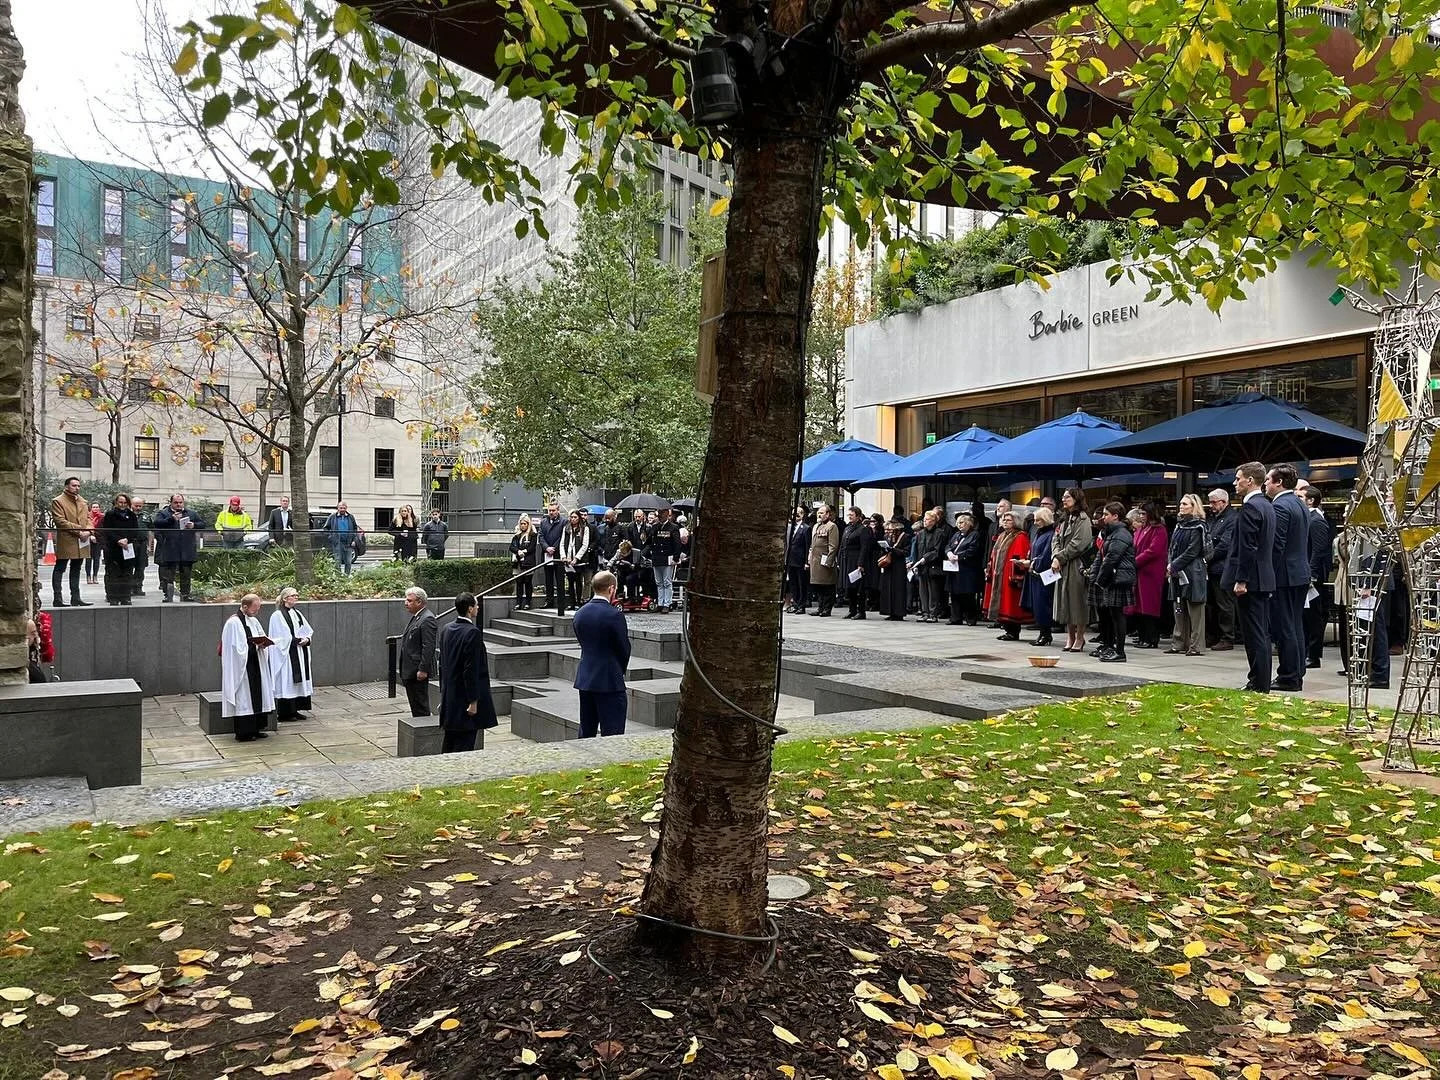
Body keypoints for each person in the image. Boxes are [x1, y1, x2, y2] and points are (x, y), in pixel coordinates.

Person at [1222, 461, 1277, 693]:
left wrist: (1241, 579)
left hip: (1251, 580)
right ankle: (1258, 680)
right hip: (1262, 577)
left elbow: (1248, 547)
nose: (1235, 483)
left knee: (1254, 634)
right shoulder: (1267, 505)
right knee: (1260, 632)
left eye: (1238, 478)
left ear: (1250, 480)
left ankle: (1259, 682)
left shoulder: (1252, 507)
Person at [1266, 463, 1311, 692]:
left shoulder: (1280, 506)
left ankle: (1289, 676)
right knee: (1295, 625)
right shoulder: (1299, 503)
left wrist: (1268, 574)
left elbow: (1277, 545)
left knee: (1285, 627)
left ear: (1279, 482)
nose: (1265, 483)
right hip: (1299, 572)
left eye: (1268, 479)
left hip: (1285, 574)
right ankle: (1296, 672)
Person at [572, 570, 632, 737]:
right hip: (609, 679)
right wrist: (619, 670)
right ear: (611, 589)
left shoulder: (580, 613)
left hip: (585, 678)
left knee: (586, 731)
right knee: (613, 732)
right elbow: (623, 648)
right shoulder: (614, 615)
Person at [438, 592, 497, 752]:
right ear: (470, 609)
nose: (478, 608)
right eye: (476, 605)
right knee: (464, 745)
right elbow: (471, 670)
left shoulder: (447, 629)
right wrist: (473, 702)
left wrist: (443, 695)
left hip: (450, 697)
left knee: (449, 743)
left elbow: (442, 665)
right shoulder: (472, 632)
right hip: (464, 699)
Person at [221, 594, 274, 742]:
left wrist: (264, 644)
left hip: (256, 663)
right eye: (254, 608)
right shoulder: (233, 623)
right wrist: (254, 646)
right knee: (245, 698)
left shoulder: (253, 621)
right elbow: (235, 648)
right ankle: (244, 733)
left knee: (258, 695)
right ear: (245, 606)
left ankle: (256, 728)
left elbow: (261, 635)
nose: (256, 611)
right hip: (243, 668)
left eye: (258, 608)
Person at [1088, 502, 1137, 663]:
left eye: (1106, 514)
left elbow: (1111, 558)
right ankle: (1111, 647)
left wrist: (1100, 580)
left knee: (1118, 615)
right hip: (1113, 578)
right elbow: (1101, 555)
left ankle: (1120, 652)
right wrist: (1095, 576)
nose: (1103, 517)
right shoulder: (1112, 532)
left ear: (1115, 516)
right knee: (1112, 615)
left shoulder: (1121, 533)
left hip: (1118, 579)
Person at [1051, 487, 1094, 653]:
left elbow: (1078, 544)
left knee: (1078, 601)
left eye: (1067, 497)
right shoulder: (1063, 518)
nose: (1063, 499)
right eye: (1063, 497)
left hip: (1076, 565)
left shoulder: (1084, 519)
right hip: (1062, 565)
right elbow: (1055, 540)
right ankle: (1070, 636)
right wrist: (1055, 557)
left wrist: (1059, 558)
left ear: (1076, 499)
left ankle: (1080, 636)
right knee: (1065, 602)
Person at [1167, 493, 1209, 656]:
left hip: (1193, 571)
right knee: (1178, 606)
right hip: (1177, 570)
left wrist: (1174, 565)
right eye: (1181, 503)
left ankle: (1196, 645)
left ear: (1194, 507)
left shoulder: (1199, 526)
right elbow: (1172, 547)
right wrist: (1170, 564)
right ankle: (1179, 642)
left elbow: (1193, 550)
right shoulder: (1180, 525)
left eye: (1185, 504)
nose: (1181, 506)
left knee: (1195, 609)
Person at [268, 587, 314, 722]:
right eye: (293, 595)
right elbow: (279, 636)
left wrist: (307, 639)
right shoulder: (277, 615)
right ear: (285, 598)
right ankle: (285, 713)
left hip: (299, 652)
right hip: (287, 655)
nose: (296, 597)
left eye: (297, 595)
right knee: (287, 680)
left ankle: (295, 709)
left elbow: (307, 629)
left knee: (299, 681)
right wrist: (295, 640)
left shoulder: (297, 613)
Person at [983, 510, 1031, 641]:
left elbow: (1020, 555)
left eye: (1008, 520)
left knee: (1010, 604)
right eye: (1004, 520)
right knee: (1002, 603)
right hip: (999, 575)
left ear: (1016, 522)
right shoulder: (1002, 535)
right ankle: (1007, 629)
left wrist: (1016, 575)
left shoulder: (1020, 536)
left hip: (1010, 576)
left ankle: (1013, 631)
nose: (1005, 522)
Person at [1127, 504, 1168, 648]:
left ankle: (1151, 638)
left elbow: (1153, 551)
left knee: (1150, 606)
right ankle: (1142, 636)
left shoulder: (1159, 530)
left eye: (1144, 514)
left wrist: (1135, 561)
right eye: (1140, 514)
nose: (1141, 516)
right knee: (1139, 606)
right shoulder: (1142, 529)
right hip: (1139, 571)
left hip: (1151, 572)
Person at [152, 494, 205, 602]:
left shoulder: (191, 513)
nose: (178, 505)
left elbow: (202, 524)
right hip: (170, 548)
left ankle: (185, 595)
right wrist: (171, 519)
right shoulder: (164, 513)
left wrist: (193, 525)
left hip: (186, 548)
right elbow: (157, 523)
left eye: (180, 502)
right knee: (168, 575)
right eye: (176, 503)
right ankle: (168, 595)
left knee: (186, 573)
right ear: (171, 503)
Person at [49, 476, 93, 607]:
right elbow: (60, 521)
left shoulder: (83, 501)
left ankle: (76, 597)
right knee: (60, 567)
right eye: (74, 485)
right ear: (67, 486)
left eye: (78, 486)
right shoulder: (58, 501)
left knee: (77, 568)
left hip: (82, 539)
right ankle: (57, 598)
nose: (77, 488)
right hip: (67, 539)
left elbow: (89, 519)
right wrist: (80, 531)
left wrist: (89, 531)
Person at [1304, 487, 1334, 670]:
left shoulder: (1316, 521)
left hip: (1313, 577)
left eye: (1300, 496)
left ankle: (1313, 655)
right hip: (1307, 572)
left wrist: (1312, 574)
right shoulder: (1308, 518)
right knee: (1306, 616)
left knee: (1314, 616)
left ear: (1310, 500)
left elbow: (1318, 550)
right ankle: (1308, 652)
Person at [1204, 489, 1237, 651]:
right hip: (1211, 568)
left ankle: (1227, 637)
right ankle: (1213, 635)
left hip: (1222, 567)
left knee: (1224, 604)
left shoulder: (1232, 518)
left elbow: (1225, 545)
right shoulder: (1212, 519)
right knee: (1211, 604)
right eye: (1210, 502)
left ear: (1224, 502)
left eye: (1214, 502)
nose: (1211, 506)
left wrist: (1206, 558)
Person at [398, 586, 438, 718]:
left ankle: (424, 729)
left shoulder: (427, 619)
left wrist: (423, 669)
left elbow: (428, 646)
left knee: (420, 706)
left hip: (417, 671)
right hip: (410, 670)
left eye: (409, 601)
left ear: (419, 601)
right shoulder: (417, 617)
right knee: (415, 705)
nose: (406, 603)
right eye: (406, 600)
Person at [1020, 506, 1056, 646]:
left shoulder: (1050, 534)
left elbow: (1047, 555)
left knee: (1043, 604)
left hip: (1044, 575)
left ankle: (1046, 634)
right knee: (1037, 604)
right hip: (1035, 574)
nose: (1035, 523)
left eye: (1038, 520)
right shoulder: (1039, 533)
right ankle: (1043, 633)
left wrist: (1033, 563)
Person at [100, 493, 142, 606]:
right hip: (113, 548)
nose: (122, 505)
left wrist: (127, 539)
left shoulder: (131, 515)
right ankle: (113, 597)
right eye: (120, 502)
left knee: (127, 573)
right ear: (116, 503)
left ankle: (125, 596)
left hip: (128, 547)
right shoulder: (110, 514)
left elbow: (135, 531)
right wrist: (118, 540)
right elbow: (107, 530)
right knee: (113, 573)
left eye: (125, 503)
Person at [838, 506, 878, 620]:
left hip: (856, 561)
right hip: (846, 560)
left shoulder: (863, 529)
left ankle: (861, 611)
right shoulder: (847, 528)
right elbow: (842, 544)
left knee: (858, 587)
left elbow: (864, 548)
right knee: (849, 587)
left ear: (858, 516)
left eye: (852, 515)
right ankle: (852, 610)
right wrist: (839, 559)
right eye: (849, 515)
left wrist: (860, 563)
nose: (849, 517)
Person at [946, 512, 984, 625]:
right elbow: (948, 546)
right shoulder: (956, 534)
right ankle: (955, 618)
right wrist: (949, 553)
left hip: (967, 569)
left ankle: (970, 618)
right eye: (958, 523)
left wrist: (958, 556)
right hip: (954, 568)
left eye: (962, 522)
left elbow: (973, 550)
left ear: (969, 523)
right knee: (954, 594)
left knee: (967, 594)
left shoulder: (975, 535)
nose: (959, 525)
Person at [909, 509, 946, 622]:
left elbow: (937, 550)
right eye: (924, 519)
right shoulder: (920, 534)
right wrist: (915, 563)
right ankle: (925, 612)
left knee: (933, 591)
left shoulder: (939, 533)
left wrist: (926, 558)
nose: (925, 521)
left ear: (934, 521)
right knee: (923, 590)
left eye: (927, 519)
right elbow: (916, 549)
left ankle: (933, 614)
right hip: (921, 566)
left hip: (933, 566)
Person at [807, 504, 840, 617]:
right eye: (818, 513)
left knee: (827, 585)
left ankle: (827, 608)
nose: (819, 515)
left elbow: (833, 546)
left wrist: (829, 561)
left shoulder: (832, 526)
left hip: (825, 560)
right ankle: (820, 607)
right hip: (816, 560)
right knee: (818, 585)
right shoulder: (816, 526)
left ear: (828, 514)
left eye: (822, 513)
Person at [648, 508, 682, 613]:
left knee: (667, 582)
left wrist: (676, 557)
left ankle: (667, 603)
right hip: (657, 557)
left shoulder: (673, 527)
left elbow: (677, 543)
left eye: (661, 515)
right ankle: (660, 603)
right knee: (659, 582)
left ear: (667, 515)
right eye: (659, 516)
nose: (660, 518)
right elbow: (650, 541)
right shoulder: (655, 527)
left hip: (667, 557)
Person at [878, 518, 911, 620]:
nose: (888, 531)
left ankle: (899, 613)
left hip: (899, 565)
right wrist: (884, 548)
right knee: (888, 588)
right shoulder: (886, 536)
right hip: (889, 565)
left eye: (890, 529)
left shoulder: (905, 537)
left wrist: (894, 550)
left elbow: (906, 552)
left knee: (898, 589)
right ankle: (889, 611)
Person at [559, 509, 590, 615]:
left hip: (578, 561)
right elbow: (562, 543)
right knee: (570, 582)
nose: (573, 519)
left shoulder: (584, 529)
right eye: (571, 517)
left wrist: (577, 558)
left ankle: (579, 602)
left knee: (578, 581)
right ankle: (571, 603)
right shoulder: (566, 528)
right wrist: (563, 557)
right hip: (568, 559)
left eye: (575, 517)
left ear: (579, 518)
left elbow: (585, 545)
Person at [538, 503, 567, 610]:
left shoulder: (564, 522)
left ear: (558, 510)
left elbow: (563, 537)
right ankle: (549, 601)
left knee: (560, 580)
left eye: (553, 510)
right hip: (547, 554)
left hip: (558, 554)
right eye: (550, 510)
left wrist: (554, 548)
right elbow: (541, 536)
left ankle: (561, 602)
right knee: (548, 579)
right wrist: (547, 548)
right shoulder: (543, 522)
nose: (551, 512)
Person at [323, 502, 362, 576]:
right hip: (337, 543)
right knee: (337, 562)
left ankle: (346, 577)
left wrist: (354, 540)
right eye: (341, 508)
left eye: (344, 508)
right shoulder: (332, 517)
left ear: (346, 508)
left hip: (348, 542)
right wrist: (331, 537)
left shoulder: (350, 517)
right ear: (338, 508)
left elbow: (355, 529)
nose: (342, 509)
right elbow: (326, 528)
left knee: (348, 562)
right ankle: (338, 578)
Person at [785, 506, 812, 614]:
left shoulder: (806, 528)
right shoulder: (791, 527)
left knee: (802, 584)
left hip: (800, 561)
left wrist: (806, 562)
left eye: (798, 514)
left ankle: (801, 605)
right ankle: (795, 604)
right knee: (793, 584)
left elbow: (807, 546)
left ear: (802, 515)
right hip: (791, 560)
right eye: (793, 514)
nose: (795, 516)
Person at [510, 513, 540, 609]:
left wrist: (524, 551)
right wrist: (518, 551)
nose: (523, 526)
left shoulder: (532, 535)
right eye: (521, 524)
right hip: (518, 563)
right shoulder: (517, 535)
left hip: (528, 562)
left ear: (528, 524)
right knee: (519, 583)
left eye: (525, 524)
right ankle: (518, 603)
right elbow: (511, 547)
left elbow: (532, 548)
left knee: (528, 582)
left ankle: (528, 602)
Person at [130, 497, 151, 597]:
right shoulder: (127, 515)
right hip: (130, 543)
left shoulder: (146, 516)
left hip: (142, 543)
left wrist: (149, 545)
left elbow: (150, 531)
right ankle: (129, 587)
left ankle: (138, 587)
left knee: (141, 566)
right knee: (129, 566)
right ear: (131, 505)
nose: (138, 508)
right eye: (136, 505)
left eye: (140, 506)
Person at [86, 501, 104, 584]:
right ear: (91, 508)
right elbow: (85, 527)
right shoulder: (87, 517)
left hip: (98, 540)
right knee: (88, 559)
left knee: (97, 559)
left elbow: (102, 529)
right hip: (88, 540)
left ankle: (95, 576)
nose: (95, 509)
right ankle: (88, 576)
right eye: (94, 507)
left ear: (99, 508)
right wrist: (90, 535)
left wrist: (96, 536)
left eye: (97, 507)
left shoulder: (102, 517)